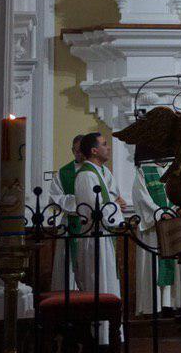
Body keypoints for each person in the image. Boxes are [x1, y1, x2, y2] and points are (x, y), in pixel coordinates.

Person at [74, 133, 125, 344]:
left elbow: (109, 201)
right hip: (94, 239)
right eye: (104, 144)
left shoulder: (101, 173)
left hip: (104, 238)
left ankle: (108, 334)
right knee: (98, 284)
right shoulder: (86, 176)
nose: (109, 148)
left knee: (107, 284)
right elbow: (92, 211)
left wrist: (113, 203)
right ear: (94, 151)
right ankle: (98, 337)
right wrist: (115, 205)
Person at [132, 159, 181, 315]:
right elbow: (140, 196)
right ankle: (152, 306)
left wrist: (172, 211)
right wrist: (160, 213)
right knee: (151, 263)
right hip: (152, 228)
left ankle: (170, 303)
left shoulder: (176, 170)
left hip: (172, 224)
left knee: (171, 261)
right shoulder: (144, 171)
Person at [47, 135, 84, 291]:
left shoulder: (98, 170)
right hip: (70, 223)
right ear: (72, 151)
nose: (80, 154)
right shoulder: (63, 172)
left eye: (83, 150)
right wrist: (81, 203)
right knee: (68, 266)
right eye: (77, 151)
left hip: (92, 223)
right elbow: (55, 199)